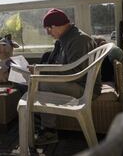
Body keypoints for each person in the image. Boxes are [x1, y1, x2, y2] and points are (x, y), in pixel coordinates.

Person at [34, 8, 98, 145]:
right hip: (75, 82)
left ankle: (49, 131)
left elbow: (75, 73)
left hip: (84, 87)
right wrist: (41, 70)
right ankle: (39, 117)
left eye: (48, 29)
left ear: (56, 25)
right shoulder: (65, 39)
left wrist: (44, 73)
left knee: (42, 83)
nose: (48, 33)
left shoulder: (79, 40)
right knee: (32, 81)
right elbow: (62, 66)